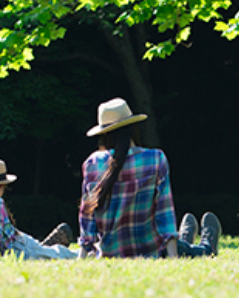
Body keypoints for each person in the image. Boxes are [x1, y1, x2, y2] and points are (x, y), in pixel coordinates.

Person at [78, 97, 222, 258]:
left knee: (180, 246)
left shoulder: (92, 164)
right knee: (193, 251)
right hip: (151, 251)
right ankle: (206, 246)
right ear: (133, 128)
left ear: (104, 134)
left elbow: (87, 219)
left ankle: (184, 238)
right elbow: (164, 212)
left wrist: (82, 256)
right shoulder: (155, 159)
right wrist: (174, 259)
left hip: (110, 254)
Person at [0, 158, 78, 260]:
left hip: (16, 246)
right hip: (19, 248)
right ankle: (83, 253)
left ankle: (70, 251)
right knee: (56, 254)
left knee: (49, 253)